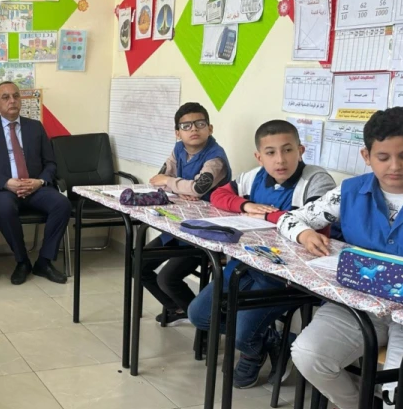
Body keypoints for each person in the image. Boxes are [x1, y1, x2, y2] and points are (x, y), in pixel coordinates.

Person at [281, 107, 403, 409]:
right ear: (367, 156)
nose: (395, 167)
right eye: (383, 157)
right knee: (308, 353)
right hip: (360, 306)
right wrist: (305, 233)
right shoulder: (350, 192)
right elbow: (290, 219)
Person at [187, 120, 336, 389]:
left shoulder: (316, 180)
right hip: (247, 264)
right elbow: (218, 195)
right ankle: (271, 341)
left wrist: (267, 215)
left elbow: (311, 220)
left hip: (287, 277)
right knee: (199, 315)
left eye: (288, 150)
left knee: (241, 333)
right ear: (259, 157)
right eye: (270, 152)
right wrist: (245, 205)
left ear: (300, 150)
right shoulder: (253, 177)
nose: (280, 159)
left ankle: (250, 350)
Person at [144, 102, 232, 326]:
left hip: (205, 232)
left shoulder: (215, 158)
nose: (193, 129)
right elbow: (157, 180)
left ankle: (210, 324)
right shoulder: (178, 150)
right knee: (139, 262)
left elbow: (197, 188)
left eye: (200, 124)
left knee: (167, 278)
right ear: (178, 133)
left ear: (210, 128)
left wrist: (173, 183)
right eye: (186, 126)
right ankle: (179, 308)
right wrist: (180, 186)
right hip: (178, 225)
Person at [0, 81, 70, 285]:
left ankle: (44, 261)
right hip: (6, 190)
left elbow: (50, 163)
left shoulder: (35, 127)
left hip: (35, 187)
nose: (12, 101)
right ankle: (22, 261)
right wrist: (6, 182)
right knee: (3, 207)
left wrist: (39, 181)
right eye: (5, 97)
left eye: (16, 96)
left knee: (62, 204)